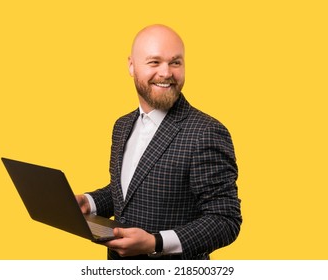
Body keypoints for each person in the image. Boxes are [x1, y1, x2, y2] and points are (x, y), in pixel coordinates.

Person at [76, 24, 242, 260]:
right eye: (154, 62)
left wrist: (156, 242)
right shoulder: (121, 126)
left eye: (175, 62)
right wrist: (89, 202)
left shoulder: (206, 132)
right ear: (131, 66)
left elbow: (225, 220)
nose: (166, 73)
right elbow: (128, 192)